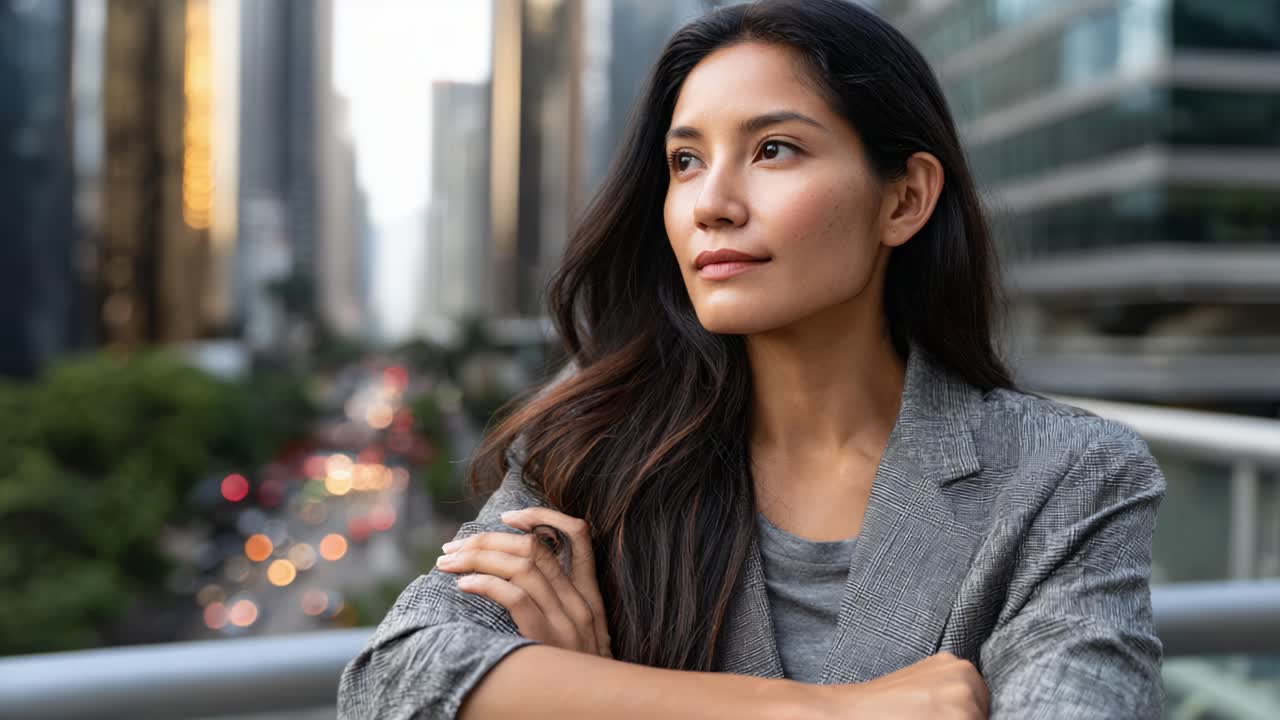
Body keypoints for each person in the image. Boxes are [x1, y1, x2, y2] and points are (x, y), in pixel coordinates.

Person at [337, 1, 1166, 717]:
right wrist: (821, 711)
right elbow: (396, 684)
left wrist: (589, 696)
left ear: (905, 198)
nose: (712, 204)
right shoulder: (591, 454)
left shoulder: (1066, 478)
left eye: (774, 150)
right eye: (686, 161)